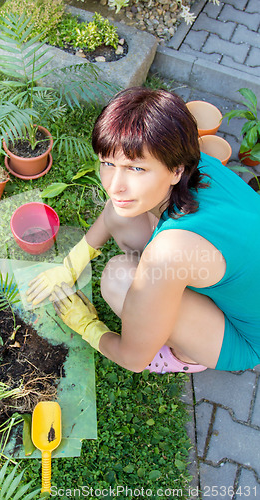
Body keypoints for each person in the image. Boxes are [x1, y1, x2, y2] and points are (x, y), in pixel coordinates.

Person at [26, 87, 260, 373]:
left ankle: (184, 356)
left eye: (136, 168)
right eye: (108, 163)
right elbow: (116, 207)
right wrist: (71, 265)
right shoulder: (196, 164)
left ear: (176, 170)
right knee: (124, 209)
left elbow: (134, 359)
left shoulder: (170, 251)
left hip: (244, 337)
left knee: (119, 278)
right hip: (235, 279)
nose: (114, 185)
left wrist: (88, 326)